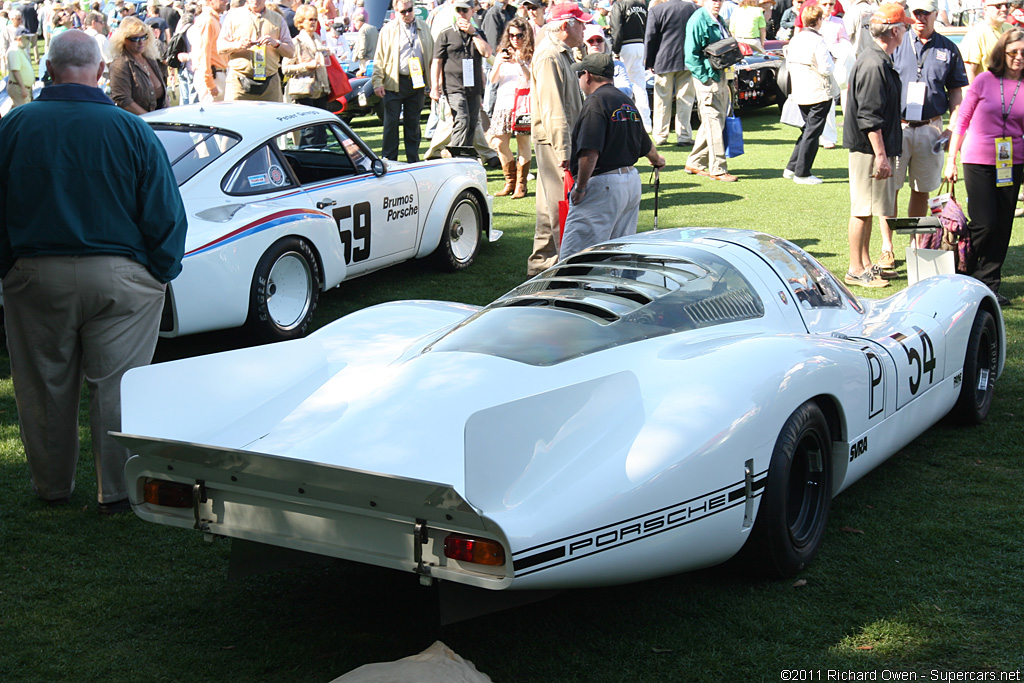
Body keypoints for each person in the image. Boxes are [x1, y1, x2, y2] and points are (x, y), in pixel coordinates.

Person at [0, 29, 187, 514]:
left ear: (49, 69)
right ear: (101, 71)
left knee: (43, 387)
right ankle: (119, 491)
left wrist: (9, 268)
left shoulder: (15, 126)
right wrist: (159, 273)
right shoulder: (131, 130)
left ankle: (52, 487)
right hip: (120, 276)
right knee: (119, 385)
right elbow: (166, 216)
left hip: (36, 273)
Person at [943, 28, 1024, 307]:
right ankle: (966, 275)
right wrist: (951, 159)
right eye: (1013, 52)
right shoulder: (984, 81)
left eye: (1023, 53)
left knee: (1002, 225)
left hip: (1012, 162)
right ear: (1002, 53)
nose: (1018, 58)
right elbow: (962, 119)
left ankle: (990, 285)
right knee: (985, 223)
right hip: (977, 159)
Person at [561, 52, 666, 259]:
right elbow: (645, 144)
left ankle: (574, 292)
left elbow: (590, 152)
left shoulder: (594, 103)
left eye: (580, 74)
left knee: (575, 257)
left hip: (604, 185)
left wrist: (580, 188)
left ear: (588, 76)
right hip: (630, 183)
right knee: (617, 255)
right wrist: (657, 160)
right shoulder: (625, 100)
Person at [884, 0, 967, 259]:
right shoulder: (897, 43)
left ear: (934, 15)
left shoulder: (949, 48)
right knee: (890, 189)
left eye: (925, 13)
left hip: (931, 127)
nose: (919, 18)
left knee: (921, 189)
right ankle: (887, 247)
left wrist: (952, 127)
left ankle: (917, 246)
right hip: (898, 126)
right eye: (915, 13)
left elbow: (955, 92)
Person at [842, 2, 910, 288]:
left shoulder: (877, 59)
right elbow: (870, 117)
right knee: (862, 208)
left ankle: (866, 264)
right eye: (904, 26)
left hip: (873, 147)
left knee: (869, 207)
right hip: (869, 149)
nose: (906, 30)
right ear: (894, 31)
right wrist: (881, 155)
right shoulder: (874, 63)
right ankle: (856, 269)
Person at [527, 1, 586, 275]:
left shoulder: (559, 52)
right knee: (557, 209)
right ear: (565, 26)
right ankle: (557, 269)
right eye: (580, 23)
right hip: (555, 141)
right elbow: (553, 109)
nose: (585, 27)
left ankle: (543, 264)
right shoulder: (551, 55)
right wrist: (564, 151)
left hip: (555, 138)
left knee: (549, 208)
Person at [373, 0, 433, 162]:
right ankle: (389, 160)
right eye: (402, 12)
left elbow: (432, 55)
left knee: (413, 123)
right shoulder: (388, 30)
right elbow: (379, 57)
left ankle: (413, 160)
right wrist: (377, 82)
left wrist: (433, 82)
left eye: (409, 10)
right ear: (395, 11)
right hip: (394, 80)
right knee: (391, 124)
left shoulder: (424, 27)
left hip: (417, 80)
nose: (407, 14)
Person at [684, 0, 737, 182]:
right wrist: (704, 77)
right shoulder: (698, 19)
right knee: (713, 120)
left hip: (718, 74)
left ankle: (695, 161)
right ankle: (718, 169)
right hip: (708, 77)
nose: (718, 2)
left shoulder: (718, 18)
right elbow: (690, 55)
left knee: (715, 120)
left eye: (720, 0)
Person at [784, 3, 836, 184]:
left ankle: (792, 167)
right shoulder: (818, 40)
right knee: (813, 132)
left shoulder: (795, 39)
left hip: (799, 89)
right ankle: (802, 172)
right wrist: (833, 60)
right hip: (817, 91)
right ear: (819, 20)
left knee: (807, 129)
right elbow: (826, 68)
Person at [431, 0, 492, 148]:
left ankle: (466, 155)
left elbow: (486, 52)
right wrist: (434, 86)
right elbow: (436, 62)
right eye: (459, 10)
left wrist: (474, 33)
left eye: (465, 10)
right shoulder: (446, 34)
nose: (462, 14)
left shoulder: (478, 33)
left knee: (471, 122)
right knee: (462, 118)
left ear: (472, 11)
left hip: (474, 86)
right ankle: (457, 155)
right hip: (453, 86)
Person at [487, 17, 534, 197]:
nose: (515, 39)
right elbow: (493, 80)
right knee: (499, 143)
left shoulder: (530, 54)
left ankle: (521, 185)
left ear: (526, 35)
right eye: (511, 35)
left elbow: (530, 78)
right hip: (503, 103)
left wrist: (520, 62)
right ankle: (510, 181)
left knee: (523, 143)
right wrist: (499, 62)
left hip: (522, 104)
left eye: (519, 35)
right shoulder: (502, 53)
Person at [218, 0, 295, 101]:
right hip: (238, 83)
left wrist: (276, 44)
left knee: (272, 116)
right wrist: (237, 45)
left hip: (270, 84)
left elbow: (290, 52)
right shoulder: (233, 17)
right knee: (235, 115)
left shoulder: (277, 19)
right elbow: (220, 47)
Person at [645, 0, 698, 147]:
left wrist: (649, 61)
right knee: (686, 98)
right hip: (687, 59)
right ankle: (684, 135)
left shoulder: (657, 10)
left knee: (662, 99)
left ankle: (660, 135)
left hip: (663, 60)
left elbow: (650, 37)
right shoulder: (693, 8)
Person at [109, 15, 169, 113]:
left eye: (144, 37)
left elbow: (164, 94)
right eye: (135, 39)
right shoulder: (120, 64)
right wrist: (149, 121)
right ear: (123, 40)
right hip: (136, 123)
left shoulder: (150, 59)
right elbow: (123, 100)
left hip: (158, 120)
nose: (141, 42)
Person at [608, 0, 651, 131]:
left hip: (625, 46)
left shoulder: (619, 5)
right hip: (640, 45)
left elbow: (617, 28)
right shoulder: (642, 6)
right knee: (640, 86)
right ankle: (646, 123)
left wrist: (615, 49)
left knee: (623, 84)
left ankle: (626, 119)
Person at [282, 3, 330, 110]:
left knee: (322, 125)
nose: (313, 22)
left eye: (315, 19)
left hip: (321, 90)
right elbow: (285, 69)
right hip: (303, 91)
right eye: (310, 19)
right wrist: (306, 66)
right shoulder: (296, 42)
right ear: (301, 22)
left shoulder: (319, 40)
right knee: (310, 127)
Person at [961, 1, 1013, 83]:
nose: (1004, 9)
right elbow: (968, 72)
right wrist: (975, 95)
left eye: (1007, 5)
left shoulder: (1010, 29)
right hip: (987, 92)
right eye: (998, 6)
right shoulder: (977, 33)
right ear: (985, 9)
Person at [189, 0, 228, 102]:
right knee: (213, 115)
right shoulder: (207, 20)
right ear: (210, 1)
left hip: (216, 75)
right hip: (213, 76)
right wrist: (210, 83)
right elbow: (203, 53)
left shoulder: (212, 19)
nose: (226, 1)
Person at [6, 27, 34, 106]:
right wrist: (22, 88)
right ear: (19, 38)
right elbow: (15, 71)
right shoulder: (14, 51)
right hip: (18, 87)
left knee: (18, 112)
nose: (29, 41)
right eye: (27, 38)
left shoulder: (20, 49)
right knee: (23, 114)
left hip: (23, 87)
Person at [351, 9, 376, 73]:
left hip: (365, 59)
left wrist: (360, 56)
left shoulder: (362, 30)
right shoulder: (373, 28)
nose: (354, 26)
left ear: (359, 22)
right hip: (374, 57)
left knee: (363, 75)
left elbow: (363, 45)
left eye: (355, 24)